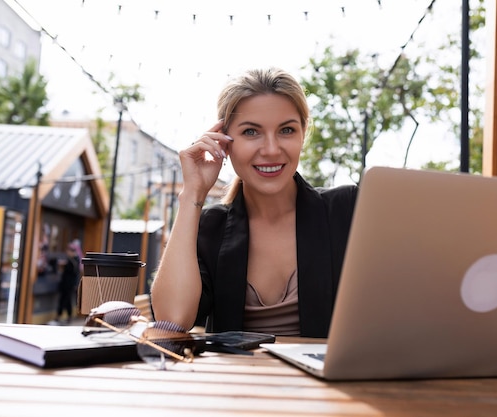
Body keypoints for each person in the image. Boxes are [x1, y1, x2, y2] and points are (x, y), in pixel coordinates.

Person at [151, 68, 358, 337]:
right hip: (239, 379)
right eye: (251, 132)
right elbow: (172, 321)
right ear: (225, 141)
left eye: (286, 130)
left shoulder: (347, 211)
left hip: (327, 379)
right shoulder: (211, 227)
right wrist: (192, 194)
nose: (271, 150)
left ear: (302, 134)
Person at [56, 241, 81, 323]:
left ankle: (66, 316)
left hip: (69, 284)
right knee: (63, 299)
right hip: (65, 283)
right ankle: (60, 315)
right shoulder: (71, 260)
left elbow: (74, 272)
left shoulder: (74, 261)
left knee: (67, 300)